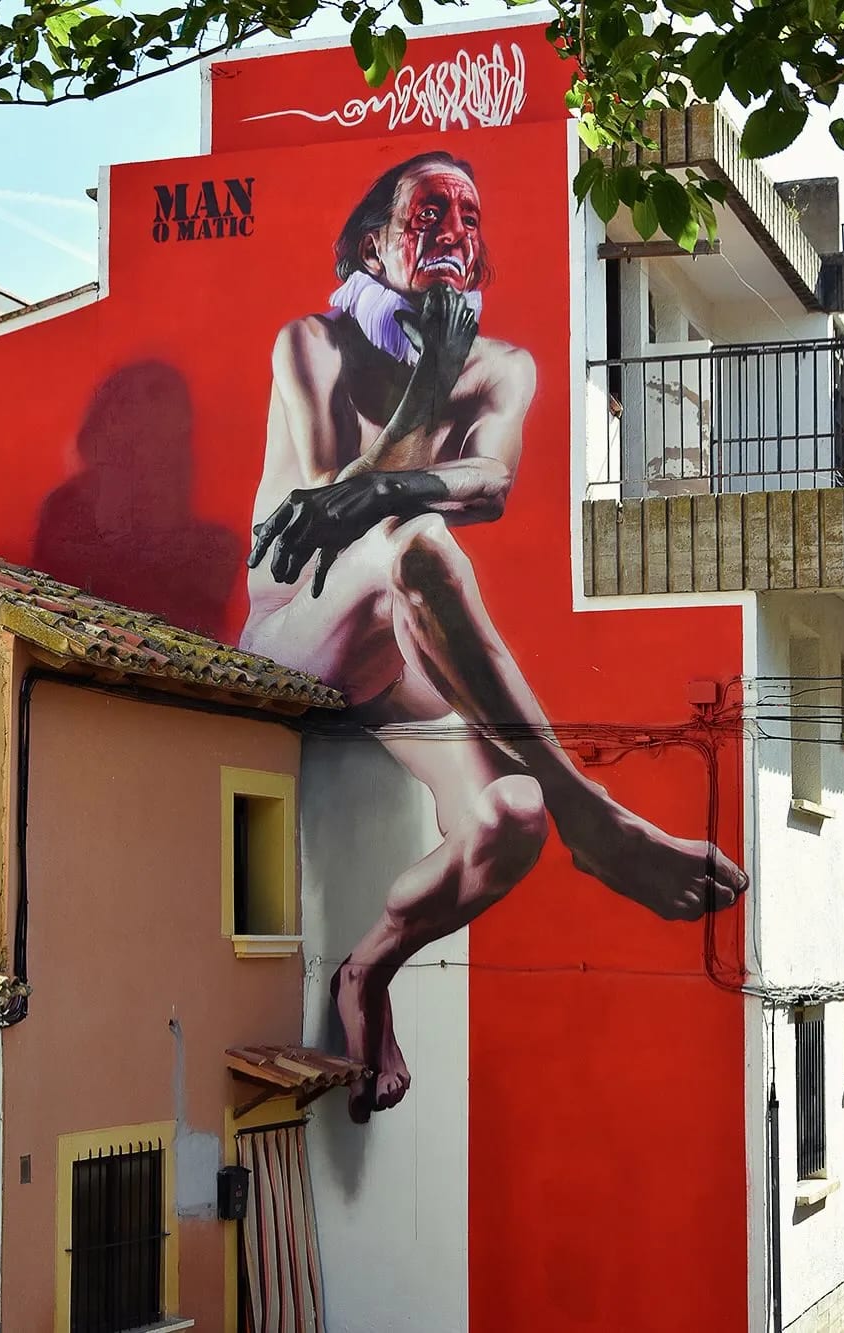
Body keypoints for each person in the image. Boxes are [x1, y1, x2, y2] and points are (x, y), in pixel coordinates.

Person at [240, 151, 748, 1123]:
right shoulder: (310, 343)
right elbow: (327, 521)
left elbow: (493, 482)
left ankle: (365, 973)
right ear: (373, 246)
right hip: (299, 631)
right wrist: (427, 389)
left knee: (512, 816)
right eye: (427, 214)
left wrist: (423, 421)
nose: (452, 233)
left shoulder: (503, 367)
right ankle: (595, 820)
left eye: (468, 218)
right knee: (419, 543)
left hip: (398, 655)